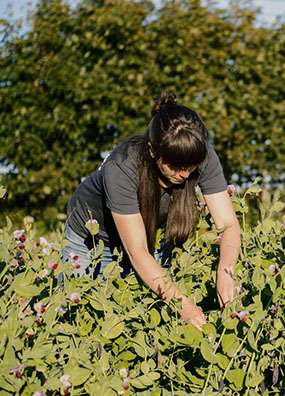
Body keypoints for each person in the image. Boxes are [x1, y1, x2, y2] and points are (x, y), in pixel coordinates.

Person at [62, 92, 241, 329]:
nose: (185, 174)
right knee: (84, 324)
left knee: (150, 321)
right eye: (175, 166)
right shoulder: (122, 166)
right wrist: (183, 305)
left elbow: (228, 224)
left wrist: (226, 272)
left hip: (149, 238)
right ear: (153, 151)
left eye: (190, 166)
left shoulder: (198, 154)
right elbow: (136, 251)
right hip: (93, 241)